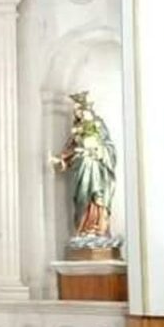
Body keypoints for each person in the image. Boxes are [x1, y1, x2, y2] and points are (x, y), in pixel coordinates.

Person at [50, 92, 117, 238]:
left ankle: (99, 229)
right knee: (82, 198)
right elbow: (71, 149)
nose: (78, 113)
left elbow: (109, 147)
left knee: (98, 197)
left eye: (80, 109)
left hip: (97, 170)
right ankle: (84, 229)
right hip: (82, 170)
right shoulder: (77, 131)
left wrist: (98, 151)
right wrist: (61, 159)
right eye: (76, 111)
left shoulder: (98, 125)